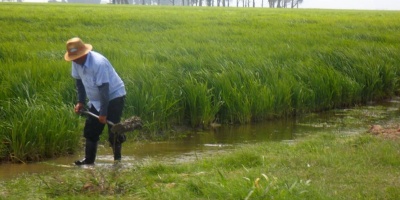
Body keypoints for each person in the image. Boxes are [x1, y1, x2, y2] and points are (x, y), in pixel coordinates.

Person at [64, 37, 127, 165]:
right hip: (96, 100)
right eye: (73, 58)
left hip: (114, 96)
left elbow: (104, 90)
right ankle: (89, 161)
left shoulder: (98, 63)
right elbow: (79, 82)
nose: (75, 60)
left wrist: (103, 113)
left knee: (113, 131)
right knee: (91, 130)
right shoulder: (76, 62)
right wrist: (80, 101)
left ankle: (117, 161)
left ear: (84, 53)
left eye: (77, 57)